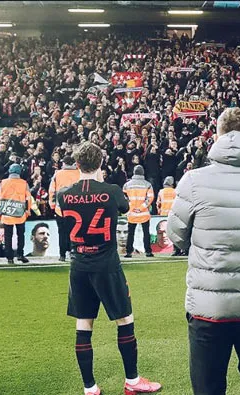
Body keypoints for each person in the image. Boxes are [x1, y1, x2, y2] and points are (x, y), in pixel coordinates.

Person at [168, 107, 240, 395]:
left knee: (208, 388)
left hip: (209, 305)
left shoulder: (194, 180)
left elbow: (176, 235)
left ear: (218, 134)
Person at [59, 142, 161, 395]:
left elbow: (64, 211)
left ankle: (90, 388)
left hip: (79, 265)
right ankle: (132, 381)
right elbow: (124, 207)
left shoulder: (64, 193)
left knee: (84, 325)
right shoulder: (112, 191)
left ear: (77, 164)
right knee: (124, 320)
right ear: (101, 164)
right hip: (106, 265)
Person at [0, 163, 33, 264]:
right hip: (20, 214)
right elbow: (28, 198)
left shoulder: (3, 183)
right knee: (21, 235)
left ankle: (9, 258)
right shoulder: (24, 183)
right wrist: (27, 210)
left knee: (8, 236)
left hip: (7, 214)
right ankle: (20, 254)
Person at [49, 155, 81, 261]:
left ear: (64, 163)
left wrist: (52, 205)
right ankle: (74, 253)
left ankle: (62, 254)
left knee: (62, 232)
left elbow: (52, 191)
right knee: (76, 232)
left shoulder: (58, 174)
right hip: (77, 209)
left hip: (61, 209)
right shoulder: (79, 173)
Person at [123, 165, 154, 258]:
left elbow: (124, 198)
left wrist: (131, 207)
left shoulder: (127, 184)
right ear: (143, 173)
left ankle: (128, 252)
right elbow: (150, 198)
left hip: (131, 213)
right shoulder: (147, 184)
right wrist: (141, 208)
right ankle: (148, 251)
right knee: (146, 233)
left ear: (134, 172)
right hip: (144, 213)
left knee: (130, 233)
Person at [156, 177, 182, 256]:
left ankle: (173, 251)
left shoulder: (161, 192)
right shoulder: (175, 191)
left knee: (167, 233)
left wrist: (159, 212)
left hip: (163, 215)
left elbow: (158, 204)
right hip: (173, 215)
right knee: (175, 233)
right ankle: (176, 249)